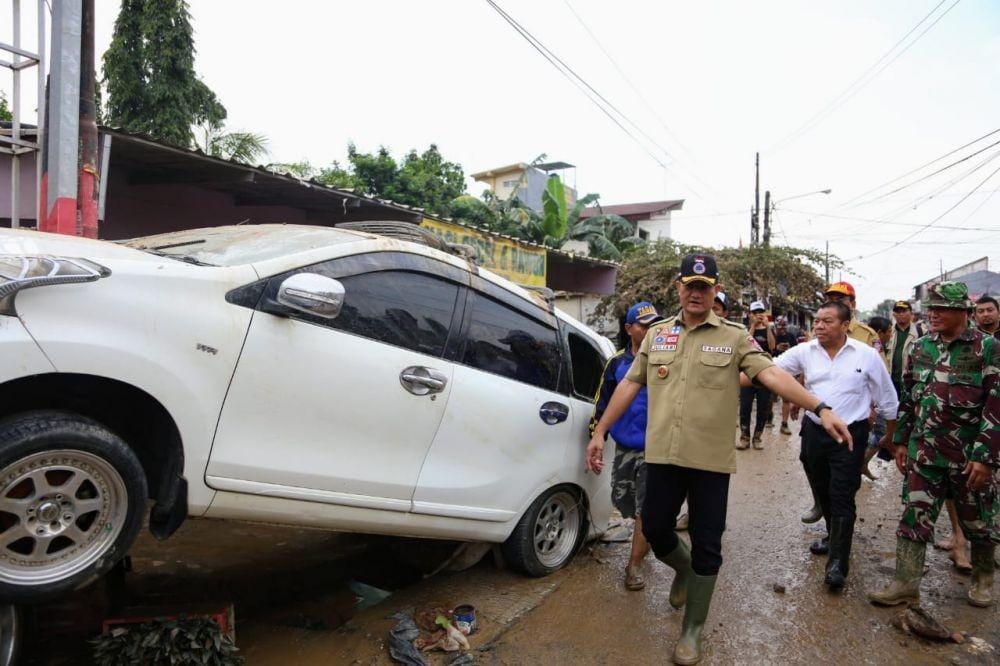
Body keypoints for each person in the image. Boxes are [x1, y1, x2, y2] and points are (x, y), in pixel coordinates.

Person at [586, 253, 852, 665]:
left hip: (709, 461)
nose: (696, 293)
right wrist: (601, 430)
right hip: (663, 455)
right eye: (689, 286)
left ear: (714, 290)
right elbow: (628, 385)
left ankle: (691, 630)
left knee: (709, 543)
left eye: (704, 287)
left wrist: (820, 408)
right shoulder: (657, 335)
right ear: (679, 288)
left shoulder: (733, 337)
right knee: (655, 528)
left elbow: (771, 375)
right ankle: (685, 571)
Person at [869, 282, 999, 609]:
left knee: (978, 523)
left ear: (962, 313)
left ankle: (983, 576)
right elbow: (910, 396)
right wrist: (900, 442)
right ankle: (906, 583)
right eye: (932, 308)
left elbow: (996, 407)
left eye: (941, 308)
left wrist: (985, 458)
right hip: (925, 453)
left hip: (968, 458)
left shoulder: (989, 348)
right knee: (914, 517)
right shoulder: (922, 347)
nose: (933, 314)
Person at [773, 302, 897, 589]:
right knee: (822, 488)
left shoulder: (866, 356)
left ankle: (838, 562)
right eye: (817, 321)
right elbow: (772, 369)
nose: (818, 326)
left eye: (827, 321)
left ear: (845, 325)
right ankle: (832, 534)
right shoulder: (805, 351)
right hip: (814, 432)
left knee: (842, 494)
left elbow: (887, 399)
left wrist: (890, 436)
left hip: (850, 435)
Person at [591, 301, 661, 591]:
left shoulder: (666, 360)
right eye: (644, 326)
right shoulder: (617, 364)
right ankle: (648, 539)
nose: (650, 331)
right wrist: (596, 437)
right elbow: (602, 404)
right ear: (629, 329)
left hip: (656, 447)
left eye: (654, 325)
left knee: (646, 507)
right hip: (624, 447)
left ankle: (632, 565)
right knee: (624, 502)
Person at [801, 281, 878, 524]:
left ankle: (838, 531)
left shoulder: (867, 336)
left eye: (842, 299)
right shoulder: (819, 327)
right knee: (810, 460)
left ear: (852, 305)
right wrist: (797, 396)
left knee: (842, 481)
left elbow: (878, 376)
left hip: (851, 415)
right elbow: (809, 363)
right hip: (817, 413)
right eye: (831, 297)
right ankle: (821, 504)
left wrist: (873, 408)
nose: (835, 302)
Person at [738, 301, 775, 450]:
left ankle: (757, 437)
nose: (759, 315)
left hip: (765, 375)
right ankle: (744, 437)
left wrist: (767, 328)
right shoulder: (744, 331)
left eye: (761, 312)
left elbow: (772, 346)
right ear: (750, 315)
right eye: (755, 313)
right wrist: (752, 327)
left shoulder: (769, 329)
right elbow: (746, 345)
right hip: (748, 375)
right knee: (745, 406)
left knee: (763, 407)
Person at [773, 317, 799, 435]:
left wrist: (789, 349)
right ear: (776, 325)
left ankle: (784, 423)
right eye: (780, 326)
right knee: (770, 398)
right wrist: (775, 348)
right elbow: (765, 351)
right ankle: (769, 417)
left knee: (786, 399)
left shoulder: (791, 336)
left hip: (787, 372)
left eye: (784, 326)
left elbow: (797, 352)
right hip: (772, 370)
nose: (782, 328)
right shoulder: (771, 335)